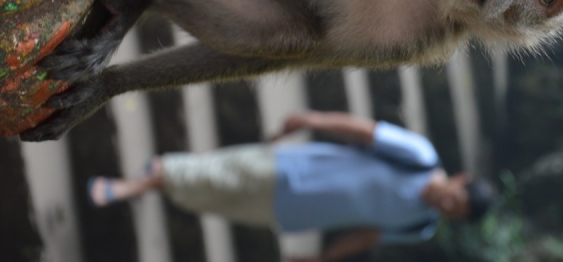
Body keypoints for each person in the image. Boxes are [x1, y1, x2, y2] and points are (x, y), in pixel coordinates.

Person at [87, 110, 495, 262]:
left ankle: (156, 174)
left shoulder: (420, 224)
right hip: (293, 169)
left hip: (292, 213)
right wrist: (313, 121)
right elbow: (364, 132)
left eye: (452, 211)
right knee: (214, 175)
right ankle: (129, 187)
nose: (445, 205)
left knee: (209, 201)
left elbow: (367, 234)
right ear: (459, 181)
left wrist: (325, 258)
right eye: (454, 198)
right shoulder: (419, 156)